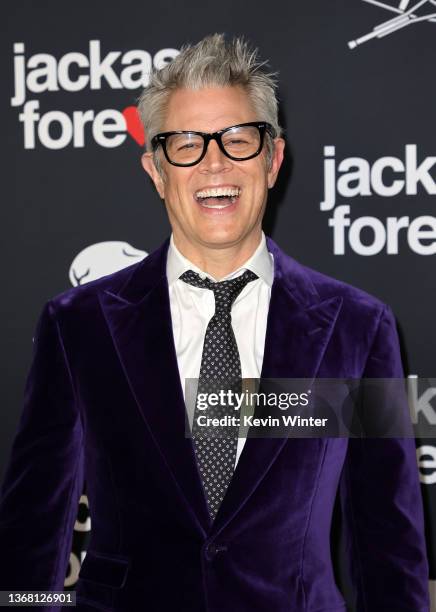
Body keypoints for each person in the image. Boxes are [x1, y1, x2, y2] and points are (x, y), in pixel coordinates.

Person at [0, 33, 429, 612]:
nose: (215, 162)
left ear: (274, 158)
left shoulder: (359, 328)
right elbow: (32, 537)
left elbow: (389, 543)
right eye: (186, 144)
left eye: (238, 138)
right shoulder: (78, 326)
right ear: (155, 169)